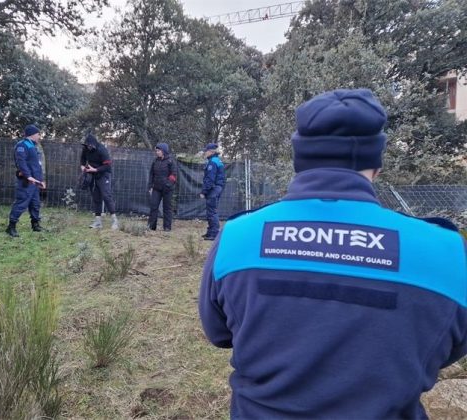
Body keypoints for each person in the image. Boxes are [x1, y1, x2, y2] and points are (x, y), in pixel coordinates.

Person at [198, 88, 467, 419]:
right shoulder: (445, 250)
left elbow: (218, 333)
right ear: (376, 165)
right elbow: (450, 347)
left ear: (299, 160)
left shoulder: (238, 237)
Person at [6, 124, 46, 237]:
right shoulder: (22, 145)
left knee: (35, 204)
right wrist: (28, 176)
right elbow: (21, 162)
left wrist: (41, 180)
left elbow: (37, 165)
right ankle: (11, 227)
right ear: (32, 134)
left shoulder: (34, 146)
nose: (39, 136)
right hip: (27, 181)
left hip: (35, 182)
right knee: (21, 203)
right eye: (38, 134)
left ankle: (35, 225)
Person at [80, 133, 119, 230]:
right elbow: (82, 159)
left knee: (106, 195)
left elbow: (107, 166)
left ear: (94, 144)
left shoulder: (102, 150)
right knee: (96, 197)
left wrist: (95, 169)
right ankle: (98, 222)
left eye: (90, 146)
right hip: (92, 174)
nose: (89, 148)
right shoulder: (85, 149)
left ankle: (115, 221)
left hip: (103, 174)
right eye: (87, 146)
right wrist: (83, 167)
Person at [147, 143, 177, 231]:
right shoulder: (155, 161)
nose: (157, 152)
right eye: (156, 151)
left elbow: (173, 175)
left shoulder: (171, 161)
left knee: (167, 208)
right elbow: (151, 174)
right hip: (156, 188)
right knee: (153, 207)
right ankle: (151, 226)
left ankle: (167, 227)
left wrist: (168, 185)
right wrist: (150, 186)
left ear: (164, 151)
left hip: (167, 189)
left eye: (158, 150)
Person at [200, 143, 226, 240]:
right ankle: (210, 232)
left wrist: (204, 191)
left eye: (206, 151)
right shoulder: (217, 161)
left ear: (211, 151)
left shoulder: (212, 162)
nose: (205, 153)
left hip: (213, 189)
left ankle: (214, 233)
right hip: (217, 188)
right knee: (211, 211)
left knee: (211, 212)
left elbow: (210, 179)